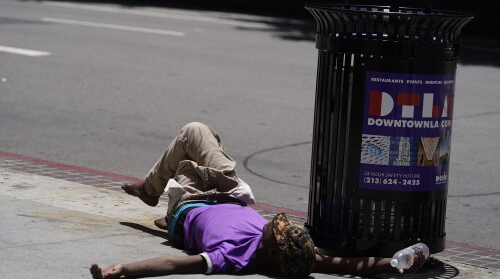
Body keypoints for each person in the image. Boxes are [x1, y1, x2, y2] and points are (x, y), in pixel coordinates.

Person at [89, 122, 427, 279]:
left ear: (269, 251)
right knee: (201, 134)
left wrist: (122, 271)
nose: (276, 225)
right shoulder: (298, 254)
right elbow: (347, 267)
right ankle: (154, 191)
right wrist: (398, 262)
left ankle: (158, 198)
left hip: (191, 201)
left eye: (274, 231)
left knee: (191, 143)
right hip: (230, 191)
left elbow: (173, 266)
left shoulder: (233, 259)